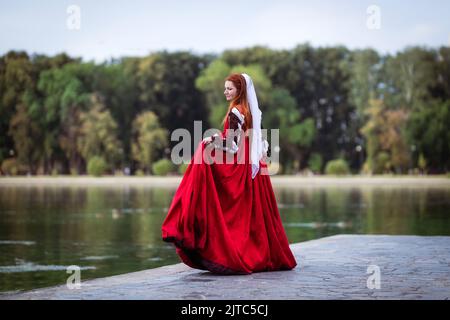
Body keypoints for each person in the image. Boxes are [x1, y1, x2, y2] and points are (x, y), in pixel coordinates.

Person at [161, 73, 297, 274]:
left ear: (239, 90)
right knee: (249, 216)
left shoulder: (236, 110)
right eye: (225, 88)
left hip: (239, 167)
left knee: (204, 164)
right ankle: (255, 254)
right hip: (251, 167)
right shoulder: (250, 111)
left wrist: (210, 141)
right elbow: (253, 142)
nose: (225, 91)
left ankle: (218, 246)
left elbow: (232, 146)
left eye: (229, 89)